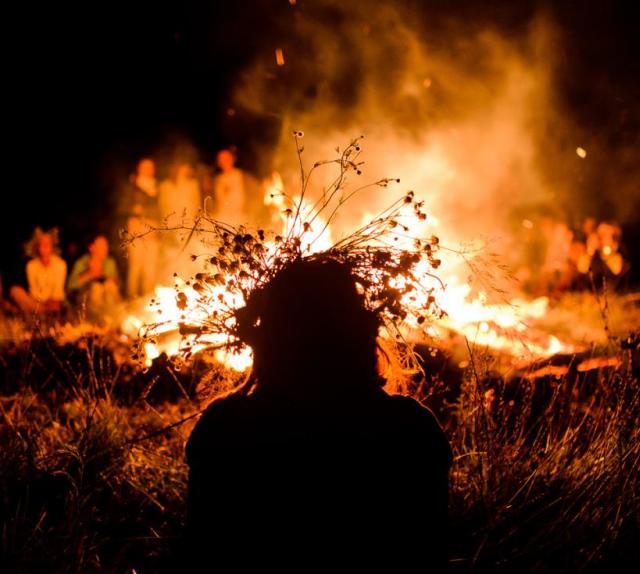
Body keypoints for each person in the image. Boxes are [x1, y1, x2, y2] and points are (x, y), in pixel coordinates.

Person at [185, 258, 452, 572]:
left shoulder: (226, 426)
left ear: (270, 336)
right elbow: (428, 552)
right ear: (363, 332)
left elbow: (203, 551)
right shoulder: (410, 429)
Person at [9, 227, 67, 316]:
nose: (45, 246)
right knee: (15, 291)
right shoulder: (31, 266)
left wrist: (51, 302)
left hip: (54, 304)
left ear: (52, 246)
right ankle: (39, 313)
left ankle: (38, 314)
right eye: (42, 244)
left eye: (47, 244)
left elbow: (58, 292)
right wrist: (39, 303)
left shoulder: (60, 264)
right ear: (37, 247)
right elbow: (34, 291)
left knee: (55, 306)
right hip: (36, 303)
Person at [124, 157, 159, 298]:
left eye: (150, 167)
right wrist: (134, 211)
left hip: (152, 225)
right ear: (139, 168)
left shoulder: (157, 186)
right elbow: (125, 206)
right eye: (144, 167)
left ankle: (147, 298)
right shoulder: (132, 185)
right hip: (136, 225)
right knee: (136, 264)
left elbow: (161, 208)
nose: (148, 170)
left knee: (150, 265)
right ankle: (132, 297)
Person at [67, 235, 121, 318]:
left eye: (106, 245)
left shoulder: (110, 262)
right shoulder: (82, 262)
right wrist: (89, 274)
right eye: (101, 246)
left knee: (110, 286)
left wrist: (103, 275)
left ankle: (116, 316)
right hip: (86, 302)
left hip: (107, 300)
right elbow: (71, 285)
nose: (105, 249)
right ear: (91, 247)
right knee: (96, 288)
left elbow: (117, 283)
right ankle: (95, 319)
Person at [213, 148, 247, 224]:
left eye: (226, 158)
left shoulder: (241, 176)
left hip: (239, 217)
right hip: (223, 218)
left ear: (232, 159)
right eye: (221, 159)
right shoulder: (218, 179)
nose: (224, 161)